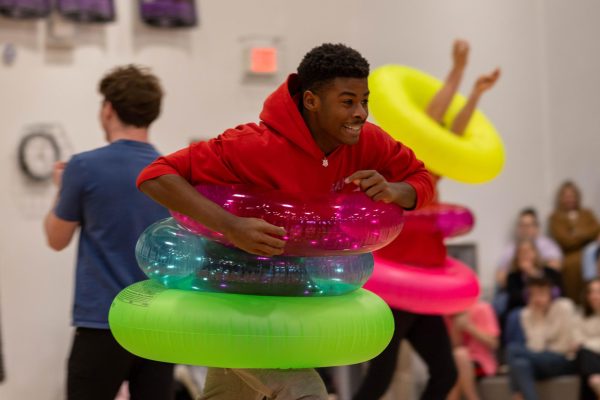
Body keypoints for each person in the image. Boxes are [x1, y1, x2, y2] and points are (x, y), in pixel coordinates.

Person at [137, 43, 434, 400]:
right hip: (232, 288)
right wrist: (230, 225)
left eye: (364, 100)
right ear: (311, 101)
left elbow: (421, 178)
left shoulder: (368, 142)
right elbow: (155, 175)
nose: (360, 113)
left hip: (297, 292)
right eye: (347, 101)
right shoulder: (252, 145)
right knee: (306, 391)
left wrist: (394, 190)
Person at [353, 39, 499, 400]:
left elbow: (452, 136)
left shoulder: (434, 173)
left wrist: (476, 95)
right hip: (397, 281)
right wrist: (458, 73)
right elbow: (433, 123)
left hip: (425, 280)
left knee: (445, 371)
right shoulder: (408, 166)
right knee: (380, 376)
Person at [43, 65, 174, 400]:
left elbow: (56, 239)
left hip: (102, 324)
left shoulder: (83, 167)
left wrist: (61, 188)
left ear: (108, 109)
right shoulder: (171, 172)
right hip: (159, 322)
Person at [506, 277, 577, 400]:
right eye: (533, 294)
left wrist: (543, 350)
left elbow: (565, 345)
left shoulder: (564, 306)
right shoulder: (527, 313)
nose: (538, 298)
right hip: (539, 360)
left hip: (563, 359)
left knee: (512, 349)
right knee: (520, 364)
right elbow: (535, 346)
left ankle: (515, 393)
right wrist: (538, 317)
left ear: (553, 294)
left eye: (542, 293)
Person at [549, 181, 600, 303]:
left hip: (594, 252)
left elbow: (597, 230)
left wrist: (576, 234)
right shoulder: (556, 217)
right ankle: (582, 302)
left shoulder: (587, 213)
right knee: (574, 265)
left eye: (572, 196)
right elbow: (565, 240)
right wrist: (586, 234)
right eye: (566, 196)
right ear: (561, 199)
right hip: (571, 256)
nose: (569, 199)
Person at [446, 301, 500, 400]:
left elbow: (493, 343)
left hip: (481, 362)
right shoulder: (446, 314)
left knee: (459, 357)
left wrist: (469, 326)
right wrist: (456, 327)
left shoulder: (483, 308)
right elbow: (451, 347)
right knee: (459, 357)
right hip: (455, 362)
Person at [496, 208, 563, 288]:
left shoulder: (547, 245)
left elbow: (554, 270)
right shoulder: (511, 248)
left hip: (543, 286)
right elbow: (500, 275)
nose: (525, 229)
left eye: (528, 225)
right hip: (517, 286)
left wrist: (532, 271)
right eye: (522, 225)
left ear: (536, 227)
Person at [574, 278, 600, 400]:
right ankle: (596, 381)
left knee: (585, 356)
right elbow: (576, 341)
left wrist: (587, 343)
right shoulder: (579, 315)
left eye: (598, 292)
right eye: (591, 292)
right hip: (585, 360)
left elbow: (582, 343)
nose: (594, 296)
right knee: (584, 355)